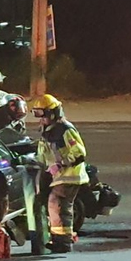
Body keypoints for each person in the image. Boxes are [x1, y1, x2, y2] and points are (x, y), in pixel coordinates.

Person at [33, 94, 89, 253]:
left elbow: (79, 153)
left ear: (52, 113)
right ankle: (58, 239)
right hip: (58, 176)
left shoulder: (65, 129)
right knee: (54, 205)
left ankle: (63, 242)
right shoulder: (49, 130)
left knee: (58, 205)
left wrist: (60, 164)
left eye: (42, 114)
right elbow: (45, 153)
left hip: (69, 176)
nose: (41, 119)